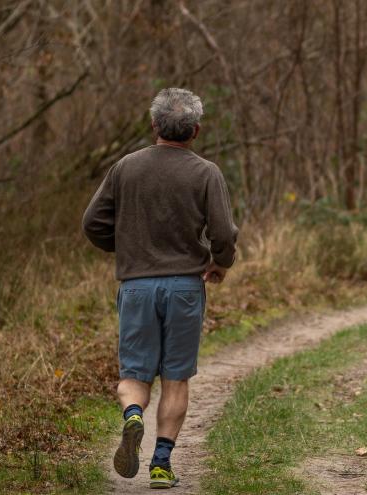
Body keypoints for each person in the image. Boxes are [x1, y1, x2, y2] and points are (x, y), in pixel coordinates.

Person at [82, 87, 238, 489]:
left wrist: (129, 249)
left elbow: (92, 223)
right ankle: (161, 464)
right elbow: (223, 233)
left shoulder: (125, 168)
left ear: (154, 125)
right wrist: (220, 262)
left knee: (134, 372)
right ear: (196, 131)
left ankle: (133, 415)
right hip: (186, 286)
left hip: (136, 286)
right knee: (175, 377)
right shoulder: (206, 173)